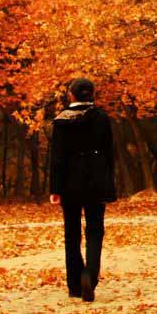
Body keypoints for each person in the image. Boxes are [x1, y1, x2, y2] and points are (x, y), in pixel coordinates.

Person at [49, 77, 116, 302]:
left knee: (72, 233)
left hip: (70, 182)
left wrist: (55, 188)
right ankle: (90, 275)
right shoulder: (102, 119)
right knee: (95, 231)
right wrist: (109, 183)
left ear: (72, 95)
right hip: (96, 180)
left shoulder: (61, 121)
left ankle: (75, 285)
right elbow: (109, 153)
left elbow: (57, 158)